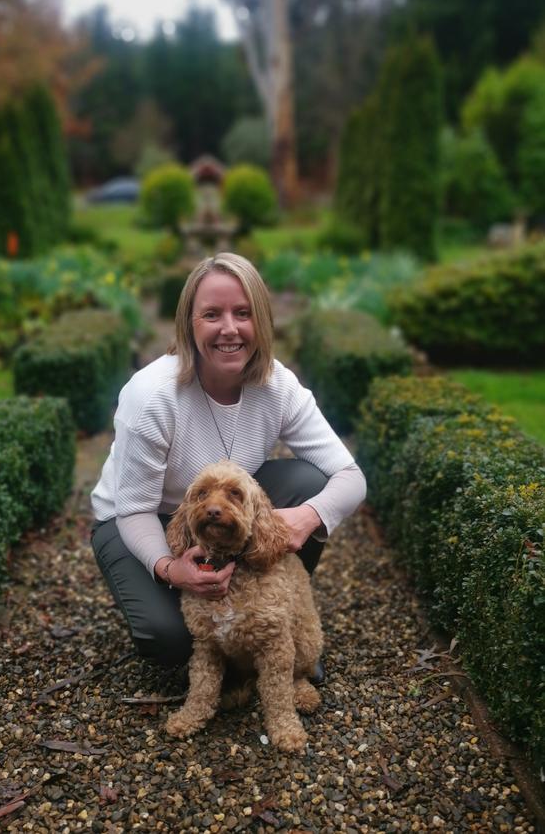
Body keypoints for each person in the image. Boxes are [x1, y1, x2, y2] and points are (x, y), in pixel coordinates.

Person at [91, 252, 366, 669]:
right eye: (212, 314)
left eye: (243, 313)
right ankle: (208, 620)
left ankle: (277, 620)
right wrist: (169, 568)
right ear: (189, 322)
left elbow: (351, 476)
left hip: (227, 512)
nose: (229, 329)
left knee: (310, 483)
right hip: (139, 519)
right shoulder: (151, 397)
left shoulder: (277, 385)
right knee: (172, 644)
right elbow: (134, 509)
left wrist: (308, 517)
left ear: (263, 321)